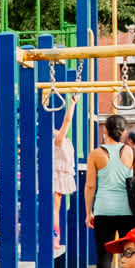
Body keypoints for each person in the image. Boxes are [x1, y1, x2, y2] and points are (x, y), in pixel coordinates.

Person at [83, 113, 135, 268]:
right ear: (123, 132)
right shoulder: (132, 152)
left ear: (105, 130)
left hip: (104, 211)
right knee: (130, 255)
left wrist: (89, 212)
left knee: (104, 256)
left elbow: (90, 186)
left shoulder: (96, 154)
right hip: (129, 212)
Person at [50, 98, 78, 241]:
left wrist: (73, 103)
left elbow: (66, 123)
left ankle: (55, 236)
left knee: (55, 208)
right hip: (57, 177)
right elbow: (66, 122)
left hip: (57, 177)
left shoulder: (60, 141)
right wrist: (72, 103)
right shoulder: (60, 142)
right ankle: (55, 236)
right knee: (55, 207)